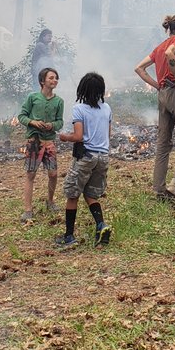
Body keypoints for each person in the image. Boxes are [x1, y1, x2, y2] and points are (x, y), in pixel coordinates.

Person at [133, 14, 175, 202]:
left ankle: (159, 190)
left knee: (163, 144)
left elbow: (139, 68)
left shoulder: (159, 46)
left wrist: (158, 85)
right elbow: (170, 54)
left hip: (162, 95)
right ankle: (174, 185)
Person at [55, 72, 113, 249]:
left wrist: (65, 137)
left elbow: (79, 136)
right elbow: (108, 135)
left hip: (86, 156)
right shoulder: (107, 108)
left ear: (82, 90)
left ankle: (69, 236)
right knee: (90, 194)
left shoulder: (79, 109)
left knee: (72, 194)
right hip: (103, 157)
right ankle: (101, 225)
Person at [17, 67, 64, 223]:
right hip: (34, 141)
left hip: (49, 142)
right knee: (31, 174)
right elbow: (21, 116)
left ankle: (50, 201)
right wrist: (33, 122)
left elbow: (60, 122)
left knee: (53, 174)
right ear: (42, 81)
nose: (54, 80)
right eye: (51, 78)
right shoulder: (33, 98)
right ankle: (28, 209)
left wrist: (52, 125)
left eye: (56, 78)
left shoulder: (59, 101)